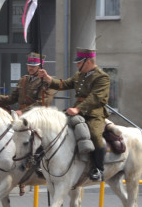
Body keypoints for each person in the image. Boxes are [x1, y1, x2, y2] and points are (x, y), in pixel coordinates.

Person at [0, 52, 57, 196]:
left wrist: (23, 112)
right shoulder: (23, 80)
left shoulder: (47, 82)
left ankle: (42, 164)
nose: (30, 68)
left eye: (34, 66)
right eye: (29, 65)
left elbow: (43, 103)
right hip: (20, 116)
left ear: (40, 66)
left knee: (36, 136)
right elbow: (11, 98)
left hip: (39, 116)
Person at [37, 47, 110, 182]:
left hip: (94, 113)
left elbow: (95, 97)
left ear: (88, 61)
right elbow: (64, 84)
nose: (77, 65)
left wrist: (78, 109)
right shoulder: (79, 75)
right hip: (77, 110)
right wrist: (48, 78)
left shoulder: (102, 77)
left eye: (79, 62)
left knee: (95, 135)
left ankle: (98, 169)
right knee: (55, 129)